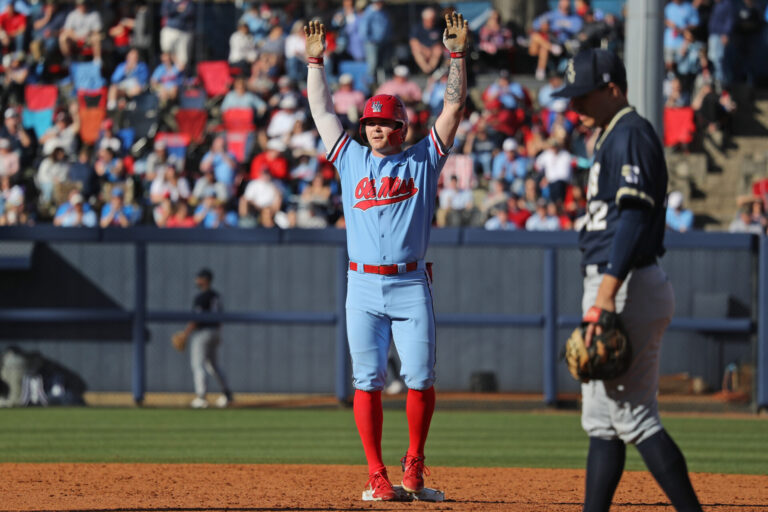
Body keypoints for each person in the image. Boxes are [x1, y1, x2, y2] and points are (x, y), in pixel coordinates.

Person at [304, 12, 468, 500]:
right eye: (370, 121)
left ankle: (413, 466)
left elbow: (454, 110)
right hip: (362, 285)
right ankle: (377, 474)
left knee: (420, 379)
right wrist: (315, 62)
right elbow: (321, 110)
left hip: (410, 282)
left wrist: (457, 57)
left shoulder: (423, 159)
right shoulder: (350, 156)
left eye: (383, 121)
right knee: (367, 380)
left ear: (401, 125)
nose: (375, 128)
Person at [552, 48, 703, 512]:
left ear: (613, 88)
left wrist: (606, 295)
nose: (575, 104)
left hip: (627, 282)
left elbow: (635, 220)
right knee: (600, 421)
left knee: (636, 416)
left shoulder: (632, 133)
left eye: (585, 93)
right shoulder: (611, 136)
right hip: (615, 281)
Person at [177, 268, 233, 409]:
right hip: (215, 331)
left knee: (198, 365)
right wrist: (218, 334)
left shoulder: (201, 297)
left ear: (205, 279)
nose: (197, 280)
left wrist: (185, 334)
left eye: (199, 278)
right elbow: (220, 318)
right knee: (213, 365)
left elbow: (196, 319)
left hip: (203, 333)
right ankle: (227, 394)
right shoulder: (216, 296)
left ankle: (201, 397)